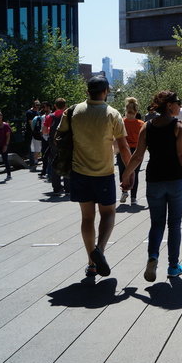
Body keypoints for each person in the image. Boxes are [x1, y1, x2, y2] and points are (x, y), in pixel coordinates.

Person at [58, 76, 131, 278]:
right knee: (108, 213)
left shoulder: (72, 111)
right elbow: (124, 146)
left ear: (87, 90)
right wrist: (129, 171)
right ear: (106, 90)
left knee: (87, 217)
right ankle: (99, 250)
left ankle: (91, 264)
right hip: (104, 173)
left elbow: (59, 137)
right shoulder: (112, 114)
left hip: (79, 172)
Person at [121, 90, 182, 281]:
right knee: (174, 224)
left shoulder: (147, 127)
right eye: (178, 103)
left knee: (156, 223)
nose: (180, 106)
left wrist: (126, 174)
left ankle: (153, 257)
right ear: (170, 105)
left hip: (154, 179)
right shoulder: (180, 125)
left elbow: (138, 155)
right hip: (176, 180)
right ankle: (173, 266)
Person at [118, 97, 144, 204]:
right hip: (136, 150)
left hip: (122, 149)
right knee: (135, 173)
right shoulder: (141, 124)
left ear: (125, 109)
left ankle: (124, 191)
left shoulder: (121, 122)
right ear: (136, 111)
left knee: (123, 171)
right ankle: (134, 197)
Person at [45, 99, 70, 194]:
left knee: (55, 164)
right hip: (66, 144)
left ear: (55, 106)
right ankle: (68, 189)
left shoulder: (50, 117)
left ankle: (57, 188)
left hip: (54, 144)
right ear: (65, 105)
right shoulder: (68, 116)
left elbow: (44, 131)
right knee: (67, 164)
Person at [25, 100, 40, 169]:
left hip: (36, 132)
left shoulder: (37, 112)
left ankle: (35, 161)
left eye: (39, 105)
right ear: (33, 105)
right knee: (31, 148)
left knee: (36, 147)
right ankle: (32, 163)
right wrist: (34, 131)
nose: (38, 106)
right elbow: (31, 123)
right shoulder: (29, 112)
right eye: (37, 105)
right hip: (30, 132)